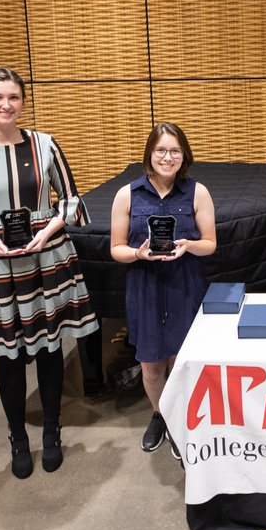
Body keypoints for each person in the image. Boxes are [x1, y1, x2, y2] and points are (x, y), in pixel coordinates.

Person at [0, 67, 98, 479]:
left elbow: (71, 202)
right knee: (8, 357)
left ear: (23, 101)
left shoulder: (45, 145)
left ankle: (51, 430)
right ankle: (17, 437)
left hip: (45, 257)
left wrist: (46, 232)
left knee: (49, 349)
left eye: (13, 96)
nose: (6, 105)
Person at [110, 123, 216, 458]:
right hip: (145, 286)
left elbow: (211, 244)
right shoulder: (128, 194)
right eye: (160, 150)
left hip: (185, 284)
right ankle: (161, 416)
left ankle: (183, 417)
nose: (167, 157)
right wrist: (138, 253)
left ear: (184, 155)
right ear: (149, 154)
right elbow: (116, 249)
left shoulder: (197, 192)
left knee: (181, 361)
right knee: (152, 365)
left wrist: (190, 245)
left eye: (174, 151)